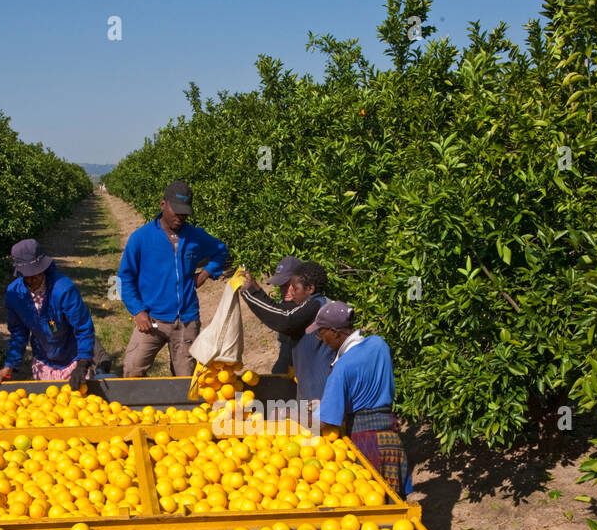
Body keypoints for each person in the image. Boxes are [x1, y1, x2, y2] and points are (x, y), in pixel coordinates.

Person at [118, 180, 228, 377]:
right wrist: (138, 311)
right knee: (132, 369)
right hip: (152, 318)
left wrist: (204, 274)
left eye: (185, 212)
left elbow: (221, 251)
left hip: (186, 319)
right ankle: (131, 407)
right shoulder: (141, 238)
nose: (181, 216)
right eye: (176, 211)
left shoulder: (195, 236)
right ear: (162, 205)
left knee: (185, 378)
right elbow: (125, 278)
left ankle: (180, 407)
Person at [311, 302, 413, 498]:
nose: (321, 339)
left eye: (321, 333)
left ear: (334, 332)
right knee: (397, 509)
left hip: (366, 443)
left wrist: (294, 416)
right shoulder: (379, 344)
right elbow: (363, 387)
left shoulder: (341, 368)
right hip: (390, 438)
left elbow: (324, 421)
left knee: (373, 510)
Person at [240, 259, 336, 421]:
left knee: (321, 437)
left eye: (293, 287)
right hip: (310, 390)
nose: (289, 291)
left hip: (319, 392)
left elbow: (285, 319)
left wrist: (250, 294)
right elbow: (284, 311)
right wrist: (256, 290)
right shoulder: (313, 303)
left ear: (309, 288)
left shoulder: (316, 305)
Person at [0, 239, 97, 388]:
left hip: (72, 357)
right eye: (27, 275)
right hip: (43, 359)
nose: (32, 279)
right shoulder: (15, 294)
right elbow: (18, 333)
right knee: (48, 406)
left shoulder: (63, 289)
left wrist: (83, 363)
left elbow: (83, 327)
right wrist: (9, 366)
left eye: (36, 273)